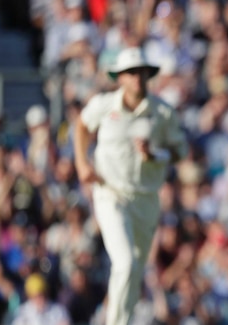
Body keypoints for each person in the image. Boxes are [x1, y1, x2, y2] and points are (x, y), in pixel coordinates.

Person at [73, 46, 188, 325]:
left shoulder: (162, 112)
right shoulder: (104, 105)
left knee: (134, 270)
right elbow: (81, 126)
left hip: (146, 198)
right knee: (123, 262)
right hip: (110, 193)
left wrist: (154, 154)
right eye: (130, 73)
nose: (137, 78)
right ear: (120, 77)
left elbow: (180, 151)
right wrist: (82, 164)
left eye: (141, 72)